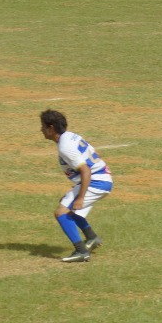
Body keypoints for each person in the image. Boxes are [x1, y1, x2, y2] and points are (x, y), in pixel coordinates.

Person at [40, 109, 113, 263]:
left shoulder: (65, 146)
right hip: (101, 178)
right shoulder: (69, 136)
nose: (41, 130)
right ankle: (91, 237)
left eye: (43, 126)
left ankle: (81, 251)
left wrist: (80, 198)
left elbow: (85, 170)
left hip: (96, 181)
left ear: (51, 128)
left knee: (61, 212)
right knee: (66, 205)